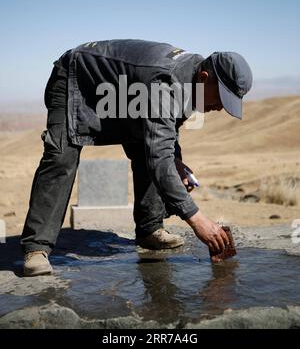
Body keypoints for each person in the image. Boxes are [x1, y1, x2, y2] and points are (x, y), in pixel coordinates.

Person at [21, 39, 252, 276]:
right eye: (221, 99)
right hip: (76, 79)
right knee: (60, 158)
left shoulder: (191, 82)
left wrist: (177, 163)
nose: (220, 108)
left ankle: (149, 230)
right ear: (204, 77)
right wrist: (198, 219)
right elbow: (160, 158)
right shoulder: (166, 83)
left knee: (147, 147)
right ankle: (36, 248)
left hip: (123, 93)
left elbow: (163, 138)